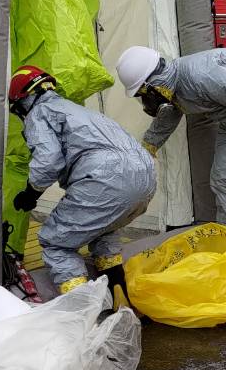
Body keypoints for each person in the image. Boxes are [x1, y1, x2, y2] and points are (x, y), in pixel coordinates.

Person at [115, 45, 226, 292]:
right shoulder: (173, 89)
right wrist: (144, 153)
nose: (145, 101)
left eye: (143, 93)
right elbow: (168, 117)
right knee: (223, 178)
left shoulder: (201, 75)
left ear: (153, 84)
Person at [9, 66, 157, 306]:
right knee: (103, 233)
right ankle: (122, 301)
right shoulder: (78, 111)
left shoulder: (40, 112)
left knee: (55, 241)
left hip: (107, 180)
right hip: (145, 177)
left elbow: (48, 161)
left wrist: (31, 192)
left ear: (23, 100)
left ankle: (84, 313)